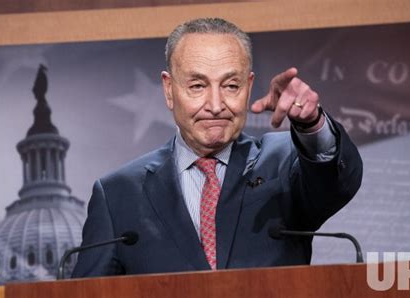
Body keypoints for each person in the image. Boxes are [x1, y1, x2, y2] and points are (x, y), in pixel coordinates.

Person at [72, 18, 362, 277]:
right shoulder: (117, 194)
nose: (215, 105)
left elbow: (334, 184)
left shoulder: (284, 163)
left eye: (231, 86)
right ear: (169, 90)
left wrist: (312, 124)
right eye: (197, 86)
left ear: (249, 87)